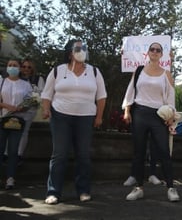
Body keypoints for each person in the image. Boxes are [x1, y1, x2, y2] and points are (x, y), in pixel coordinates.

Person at [41, 39, 107, 204]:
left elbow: (101, 96)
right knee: (59, 155)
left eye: (84, 48)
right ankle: (53, 192)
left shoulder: (94, 72)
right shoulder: (57, 71)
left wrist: (99, 116)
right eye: (78, 48)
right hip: (60, 117)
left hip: (86, 118)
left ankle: (83, 190)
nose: (82, 50)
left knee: (83, 155)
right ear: (70, 52)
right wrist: (46, 109)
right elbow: (47, 94)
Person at [122, 42, 180, 202]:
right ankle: (138, 187)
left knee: (164, 151)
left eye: (158, 50)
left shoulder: (166, 74)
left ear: (162, 54)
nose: (154, 52)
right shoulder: (139, 70)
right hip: (140, 112)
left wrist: (170, 115)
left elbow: (170, 96)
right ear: (148, 52)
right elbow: (130, 91)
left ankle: (171, 187)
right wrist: (127, 110)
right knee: (139, 151)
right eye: (152, 49)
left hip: (158, 115)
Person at [0, 59, 33, 189]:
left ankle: (10, 178)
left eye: (15, 66)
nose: (12, 67)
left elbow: (31, 100)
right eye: (10, 65)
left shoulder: (25, 85)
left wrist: (21, 108)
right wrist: (7, 106)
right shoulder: (2, 82)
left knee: (13, 150)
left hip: (18, 120)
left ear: (19, 68)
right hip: (2, 119)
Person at [17, 59, 45, 163]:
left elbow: (41, 95)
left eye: (29, 67)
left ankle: (19, 154)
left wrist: (28, 104)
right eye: (24, 66)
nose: (26, 69)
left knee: (24, 131)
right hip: (15, 109)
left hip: (30, 110)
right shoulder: (17, 79)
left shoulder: (38, 79)